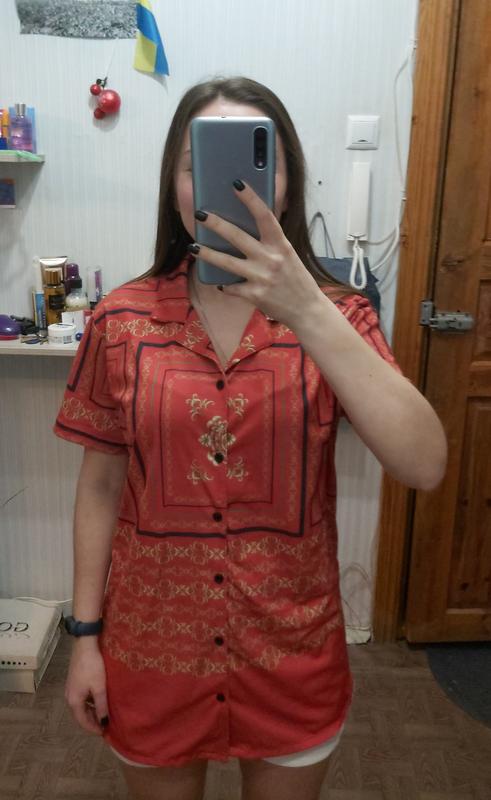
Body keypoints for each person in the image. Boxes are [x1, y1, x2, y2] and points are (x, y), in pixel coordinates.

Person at [54, 76, 447, 800]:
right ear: (174, 187)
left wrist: (308, 309)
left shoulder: (340, 318)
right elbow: (101, 485)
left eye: (256, 159)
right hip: (151, 651)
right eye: (197, 163)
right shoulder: (120, 319)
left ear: (286, 183)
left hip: (291, 652)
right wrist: (84, 638)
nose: (226, 184)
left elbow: (423, 463)